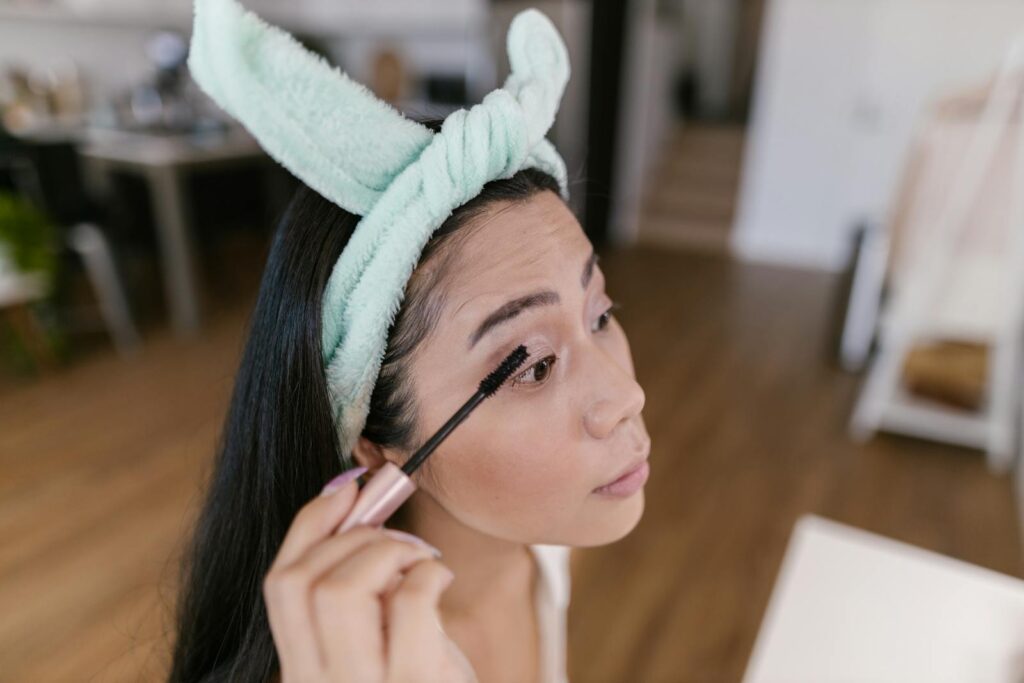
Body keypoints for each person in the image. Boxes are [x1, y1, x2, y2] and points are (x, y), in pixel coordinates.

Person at [168, 2, 650, 681]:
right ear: (375, 443)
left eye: (600, 311)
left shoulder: (539, 550)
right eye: (534, 365)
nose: (627, 394)